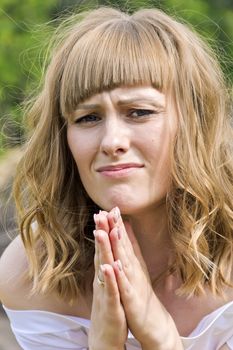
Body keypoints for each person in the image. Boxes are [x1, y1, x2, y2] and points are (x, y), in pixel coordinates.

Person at [0, 5, 233, 350]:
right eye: (88, 118)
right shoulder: (32, 271)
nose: (111, 142)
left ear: (194, 123)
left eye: (139, 112)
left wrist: (163, 342)